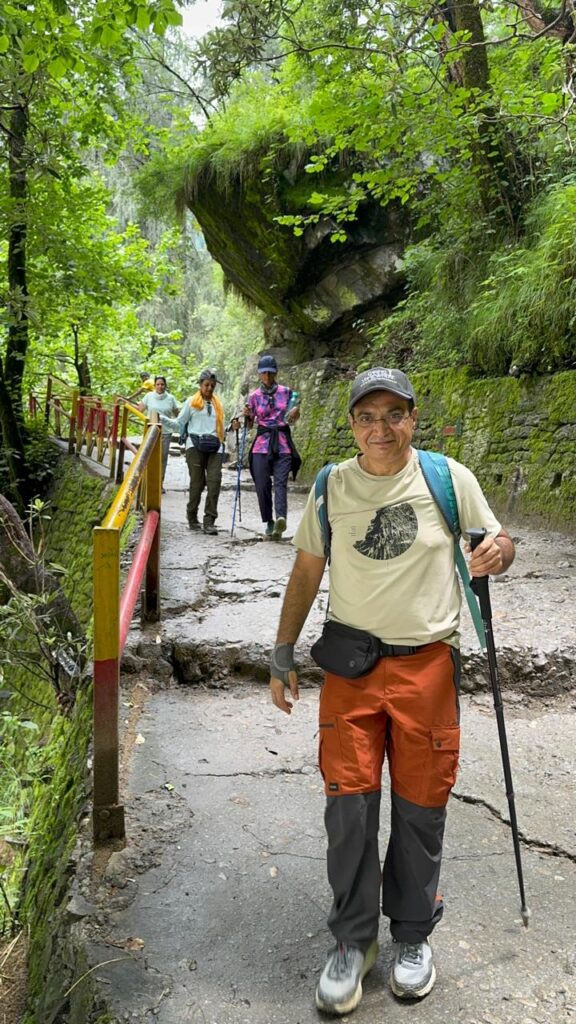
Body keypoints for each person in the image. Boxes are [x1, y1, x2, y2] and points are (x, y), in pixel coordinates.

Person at [268, 366, 515, 1016]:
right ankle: (353, 942)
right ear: (351, 424)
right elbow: (305, 573)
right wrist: (281, 652)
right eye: (367, 416)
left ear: (412, 417)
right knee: (348, 811)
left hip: (428, 667)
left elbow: (498, 541)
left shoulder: (448, 478)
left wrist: (497, 552)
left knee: (419, 806)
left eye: (394, 414)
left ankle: (411, 937)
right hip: (350, 671)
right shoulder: (331, 487)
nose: (381, 428)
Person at [160, 369, 227, 535]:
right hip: (194, 445)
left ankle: (209, 521)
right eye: (206, 385)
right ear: (200, 385)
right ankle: (192, 517)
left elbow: (222, 429)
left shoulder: (218, 405)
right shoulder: (191, 402)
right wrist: (159, 418)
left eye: (212, 385)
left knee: (214, 481)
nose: (209, 388)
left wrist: (231, 429)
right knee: (197, 483)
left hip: (215, 446)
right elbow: (178, 424)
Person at [243, 354, 301, 540]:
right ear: (259, 374)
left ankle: (281, 518)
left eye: (270, 372)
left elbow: (292, 419)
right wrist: (246, 415)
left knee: (281, 482)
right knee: (262, 484)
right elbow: (249, 425)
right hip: (261, 445)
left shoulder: (287, 392)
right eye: (263, 373)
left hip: (282, 443)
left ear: (275, 372)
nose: (267, 376)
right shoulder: (253, 396)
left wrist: (295, 413)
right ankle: (268, 521)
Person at [137, 376, 179, 491]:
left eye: (162, 384)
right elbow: (139, 409)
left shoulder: (171, 398)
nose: (160, 386)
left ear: (165, 386)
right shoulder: (149, 396)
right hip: (151, 431)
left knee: (163, 458)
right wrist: (124, 404)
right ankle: (147, 482)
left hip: (165, 432)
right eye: (158, 384)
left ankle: (160, 483)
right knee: (148, 456)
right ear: (154, 386)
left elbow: (177, 414)